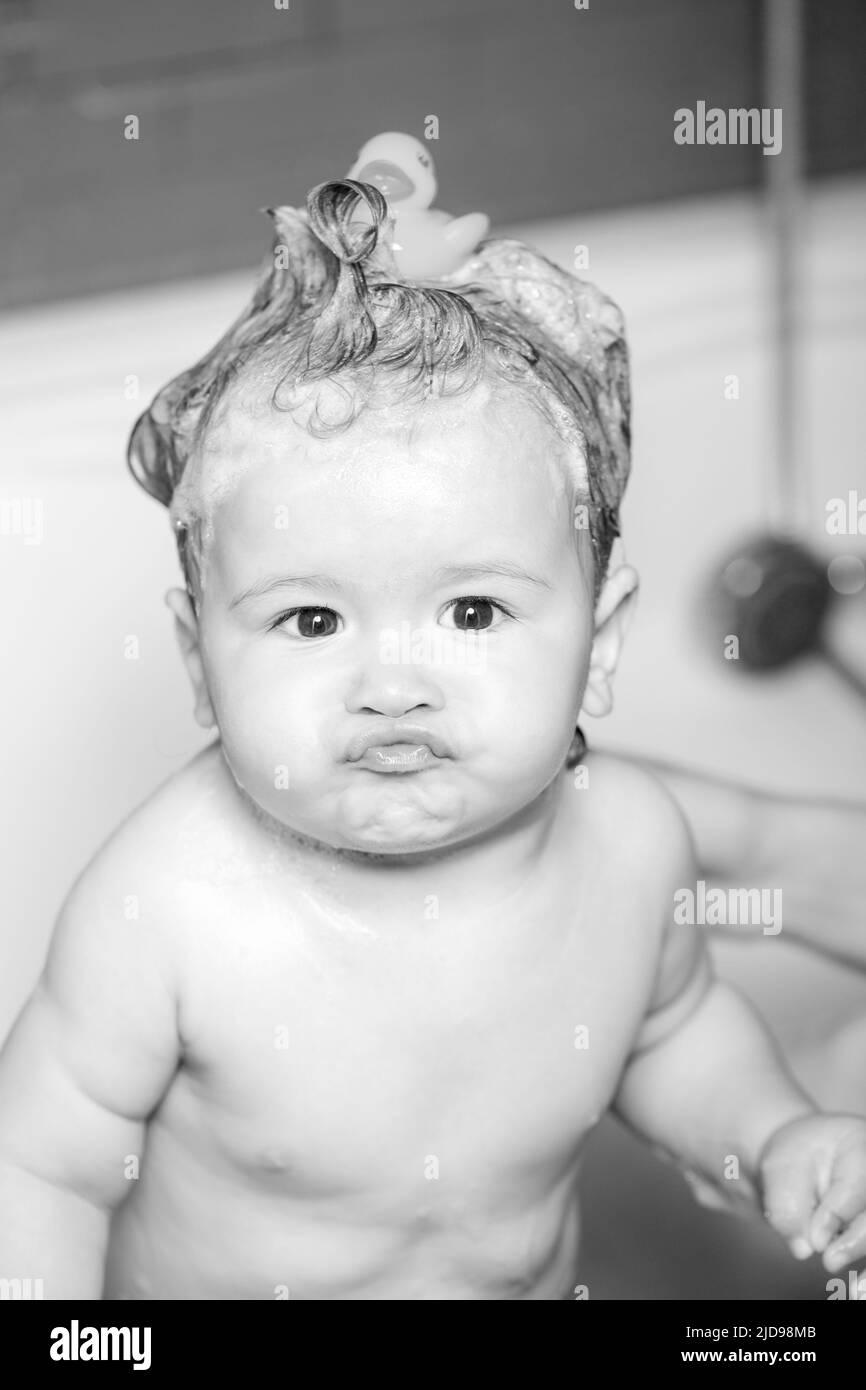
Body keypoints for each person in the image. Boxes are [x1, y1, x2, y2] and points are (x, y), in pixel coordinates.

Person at [1, 174, 864, 1301]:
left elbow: (669, 1033)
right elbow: (41, 1170)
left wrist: (773, 1133)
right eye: (311, 618)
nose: (392, 685)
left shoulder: (628, 844)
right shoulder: (163, 909)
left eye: (472, 611)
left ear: (598, 645)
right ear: (197, 662)